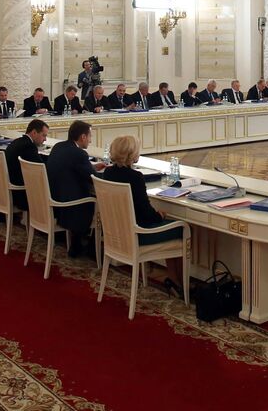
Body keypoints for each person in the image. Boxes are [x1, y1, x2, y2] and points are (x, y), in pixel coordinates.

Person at [101, 135, 187, 297]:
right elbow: (146, 212)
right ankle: (179, 283)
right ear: (132, 154)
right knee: (181, 228)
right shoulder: (135, 178)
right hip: (138, 234)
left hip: (119, 234)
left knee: (171, 225)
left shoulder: (108, 172)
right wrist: (159, 215)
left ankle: (174, 280)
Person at [44, 119, 106, 256]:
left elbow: (72, 167)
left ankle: (81, 243)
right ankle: (92, 247)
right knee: (100, 203)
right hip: (70, 204)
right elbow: (93, 179)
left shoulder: (59, 146)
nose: (90, 141)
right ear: (83, 137)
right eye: (90, 137)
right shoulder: (79, 154)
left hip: (55, 197)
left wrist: (92, 167)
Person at [3, 118, 49, 208]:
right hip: (20, 190)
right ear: (34, 132)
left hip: (9, 183)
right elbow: (40, 168)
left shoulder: (17, 141)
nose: (45, 139)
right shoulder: (28, 146)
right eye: (43, 135)